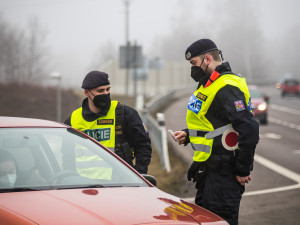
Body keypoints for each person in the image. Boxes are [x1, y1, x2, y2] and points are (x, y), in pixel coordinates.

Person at [173, 39, 259, 225]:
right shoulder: (208, 84)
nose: (192, 70)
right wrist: (188, 134)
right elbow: (213, 122)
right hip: (208, 172)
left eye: (194, 64)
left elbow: (249, 128)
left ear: (207, 58)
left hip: (223, 175)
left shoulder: (226, 85)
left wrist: (243, 169)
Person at [64, 70, 152, 175]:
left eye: (108, 89)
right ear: (87, 92)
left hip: (119, 185)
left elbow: (143, 146)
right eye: (100, 91)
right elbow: (66, 154)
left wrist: (139, 176)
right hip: (83, 186)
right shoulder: (73, 120)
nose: (106, 94)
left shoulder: (125, 114)